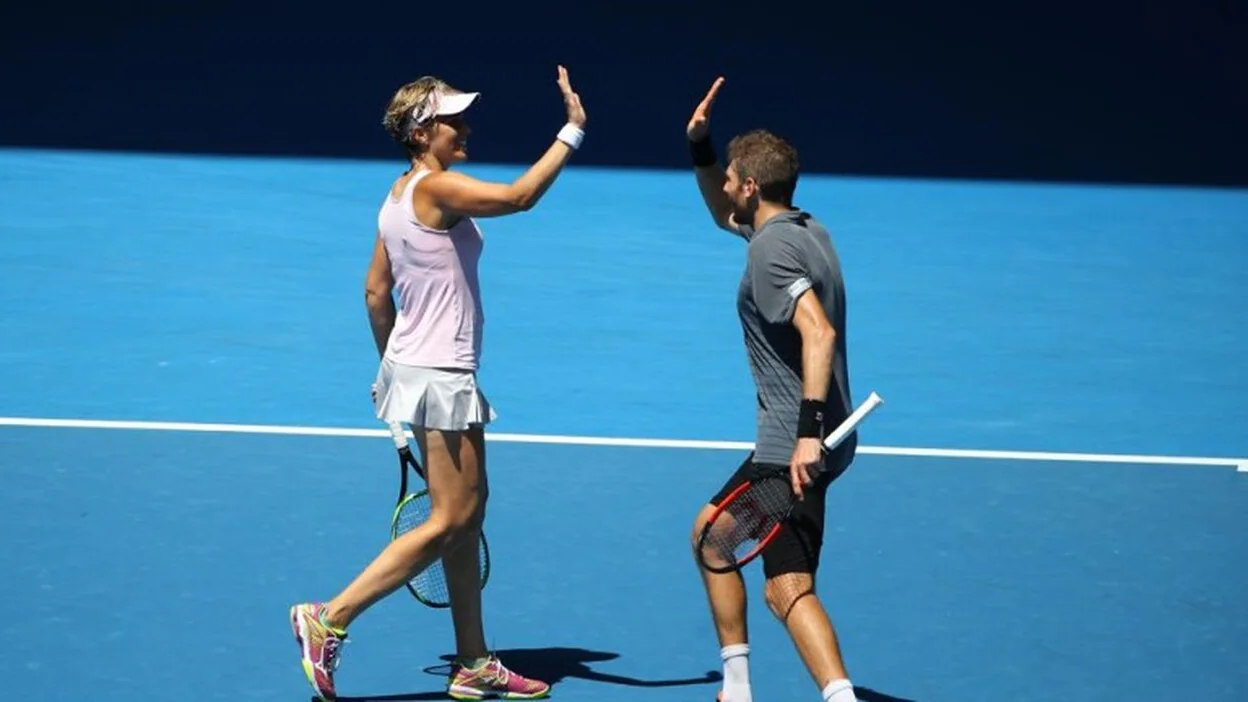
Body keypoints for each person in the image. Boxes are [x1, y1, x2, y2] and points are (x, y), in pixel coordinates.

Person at [289, 65, 587, 702]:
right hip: (441, 373)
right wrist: (571, 132)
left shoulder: (397, 196)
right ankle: (330, 617)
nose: (465, 127)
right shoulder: (438, 189)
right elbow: (518, 199)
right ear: (423, 131)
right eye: (453, 119)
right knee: (451, 516)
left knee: (467, 515)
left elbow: (376, 293)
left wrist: (392, 370)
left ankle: (474, 661)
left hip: (419, 370)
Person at [684, 77, 861, 702]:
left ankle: (751, 689)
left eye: (732, 176)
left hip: (793, 442)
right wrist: (702, 147)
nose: (726, 185)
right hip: (821, 437)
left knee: (741, 557)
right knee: (750, 557)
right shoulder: (801, 231)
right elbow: (719, 210)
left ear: (752, 186)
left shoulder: (769, 254)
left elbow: (819, 332)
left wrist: (806, 435)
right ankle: (745, 688)